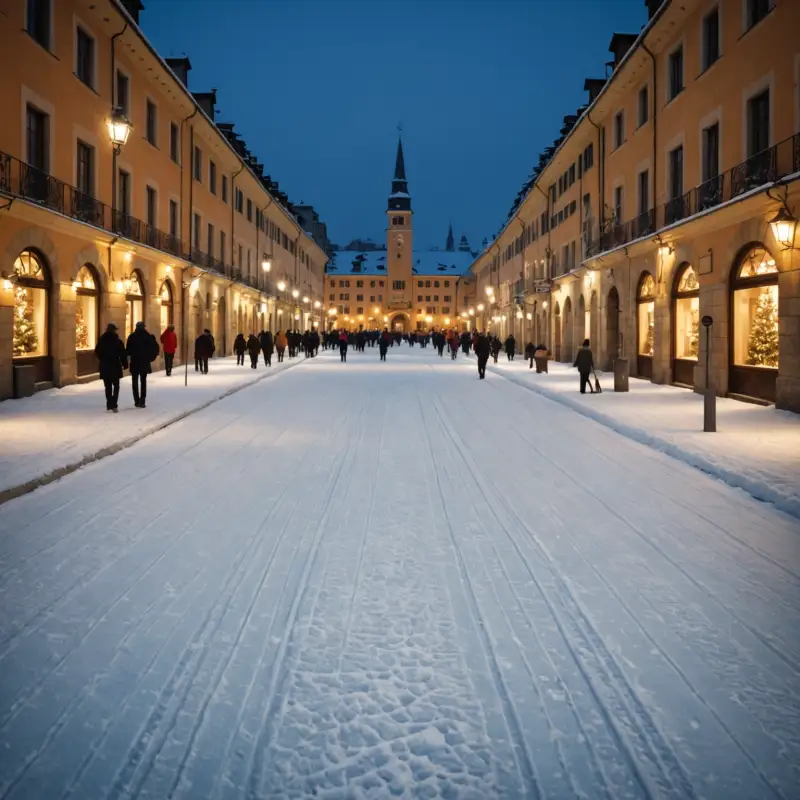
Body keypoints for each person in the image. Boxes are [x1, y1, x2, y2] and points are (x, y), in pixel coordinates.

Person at [95, 322, 127, 412]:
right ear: (114, 330)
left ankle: (109, 404)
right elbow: (122, 354)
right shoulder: (117, 341)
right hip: (115, 365)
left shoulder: (102, 340)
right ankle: (114, 404)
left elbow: (97, 351)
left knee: (108, 386)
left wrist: (102, 359)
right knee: (116, 386)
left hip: (105, 366)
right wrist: (125, 364)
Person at [126, 321, 159, 408]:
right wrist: (150, 358)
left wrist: (129, 358)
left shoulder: (132, 336)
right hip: (144, 362)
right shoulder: (147, 336)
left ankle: (136, 401)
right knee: (143, 381)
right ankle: (142, 401)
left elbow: (128, 350)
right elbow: (155, 348)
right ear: (144, 327)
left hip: (135, 362)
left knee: (135, 381)